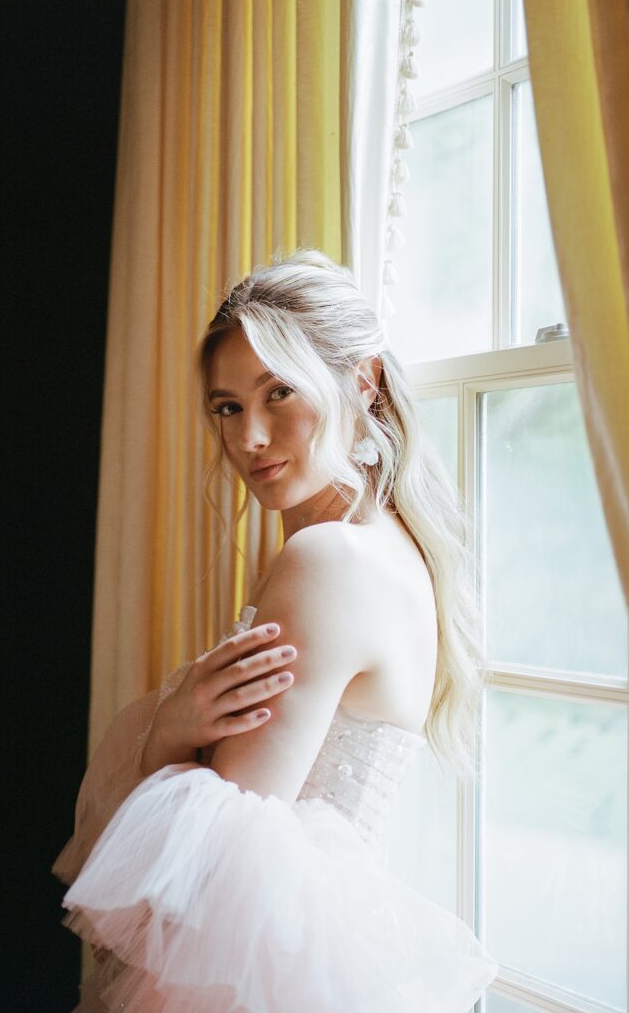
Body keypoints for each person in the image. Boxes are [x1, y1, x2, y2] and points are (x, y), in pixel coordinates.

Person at [52, 249, 500, 1012]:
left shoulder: (329, 558)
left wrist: (166, 734)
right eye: (227, 407)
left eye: (279, 393)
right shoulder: (384, 545)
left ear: (363, 384)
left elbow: (219, 856)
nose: (249, 437)